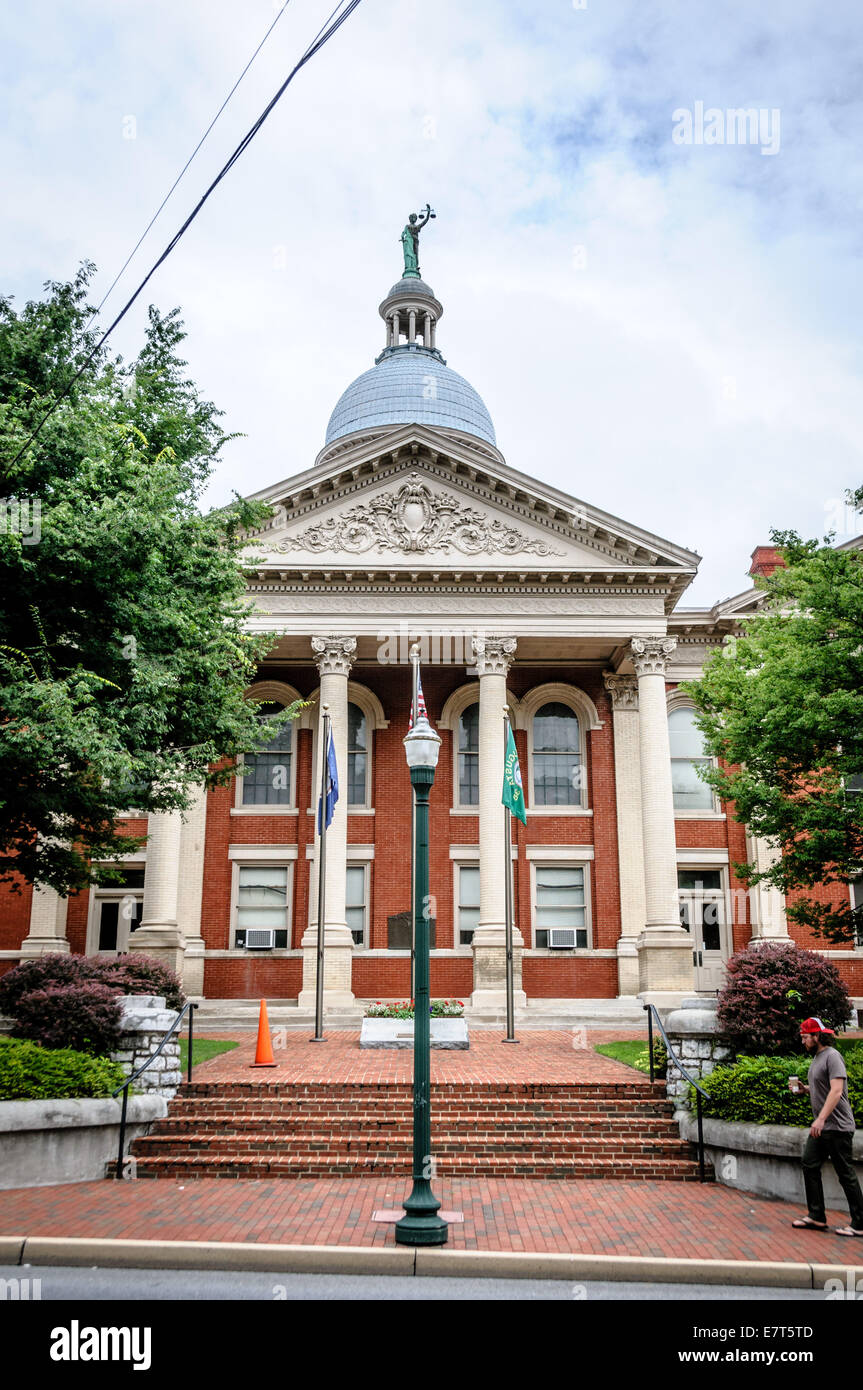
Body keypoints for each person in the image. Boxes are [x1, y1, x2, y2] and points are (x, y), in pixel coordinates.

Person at [789, 1016, 863, 1237]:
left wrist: (820, 1118)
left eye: (805, 1037)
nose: (803, 1041)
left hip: (837, 1126)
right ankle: (817, 1216)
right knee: (809, 1163)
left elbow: (837, 1090)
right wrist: (806, 1089)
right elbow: (824, 1087)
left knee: (845, 1173)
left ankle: (859, 1223)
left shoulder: (833, 1056)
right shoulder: (818, 1058)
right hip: (823, 1127)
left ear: (816, 1036)